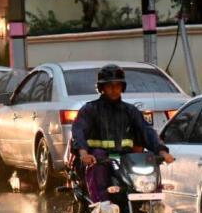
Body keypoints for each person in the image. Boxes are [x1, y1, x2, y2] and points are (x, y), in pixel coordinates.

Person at [70, 64, 175, 203]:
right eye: (109, 86)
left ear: (122, 87)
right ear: (102, 88)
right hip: (99, 160)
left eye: (117, 85)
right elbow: (78, 131)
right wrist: (84, 154)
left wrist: (162, 152)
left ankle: (154, 206)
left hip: (126, 161)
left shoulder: (130, 111)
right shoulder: (90, 110)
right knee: (98, 158)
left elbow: (147, 131)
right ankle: (102, 207)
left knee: (147, 159)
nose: (114, 90)